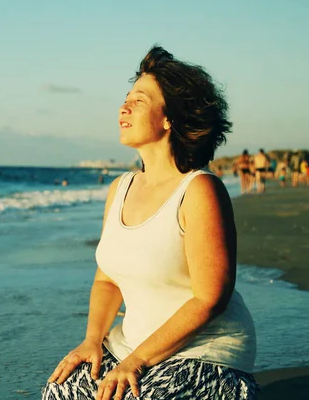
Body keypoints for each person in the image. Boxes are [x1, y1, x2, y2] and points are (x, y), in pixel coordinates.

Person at [43, 46, 258, 400]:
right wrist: (92, 341)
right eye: (125, 98)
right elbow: (107, 279)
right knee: (60, 391)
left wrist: (139, 361)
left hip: (205, 354)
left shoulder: (200, 190)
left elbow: (210, 299)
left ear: (169, 117)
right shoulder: (120, 188)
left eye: (139, 100)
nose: (123, 107)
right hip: (132, 345)